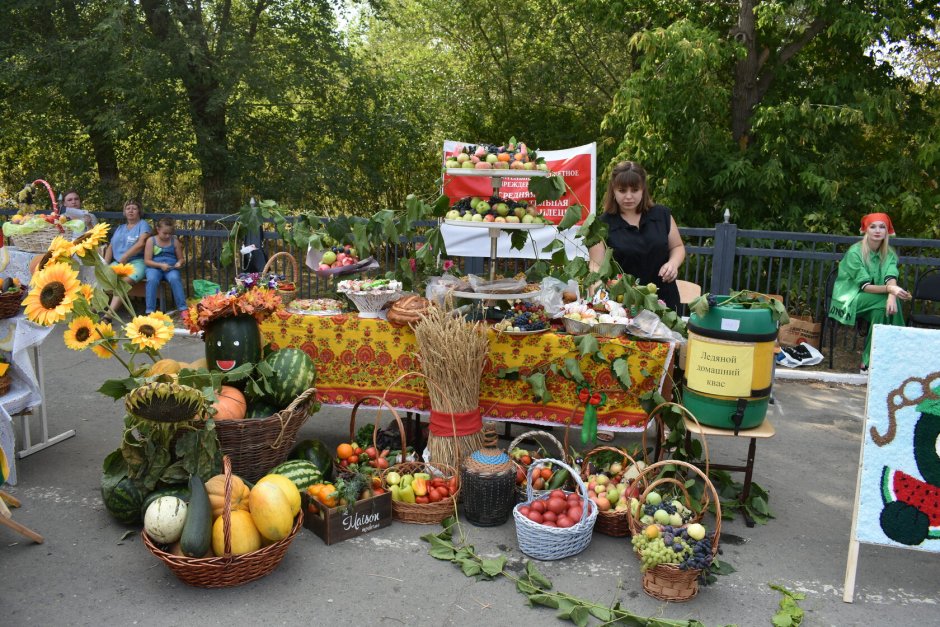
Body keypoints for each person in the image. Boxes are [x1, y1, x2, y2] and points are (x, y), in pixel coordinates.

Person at [588, 161, 686, 310]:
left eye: (634, 190)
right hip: (624, 306)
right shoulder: (601, 225)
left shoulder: (662, 215)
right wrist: (599, 300)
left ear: (643, 190)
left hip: (666, 303)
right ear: (613, 190)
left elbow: (678, 247)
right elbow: (596, 266)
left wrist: (673, 263)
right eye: (622, 190)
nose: (628, 196)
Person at [828, 212, 911, 373]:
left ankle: (868, 361)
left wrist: (893, 294)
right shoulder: (855, 252)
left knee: (881, 310)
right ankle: (902, 351)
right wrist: (890, 291)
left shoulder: (889, 253)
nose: (877, 230)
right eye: (873, 227)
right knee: (883, 303)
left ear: (887, 231)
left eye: (882, 227)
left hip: (873, 302)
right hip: (849, 300)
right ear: (866, 230)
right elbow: (865, 286)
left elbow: (890, 276)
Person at [103, 199, 152, 320]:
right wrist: (104, 264)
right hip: (118, 263)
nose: (131, 211)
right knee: (100, 279)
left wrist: (126, 256)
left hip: (137, 262)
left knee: (122, 283)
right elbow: (111, 246)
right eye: (128, 208)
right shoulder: (120, 228)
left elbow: (141, 243)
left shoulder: (143, 225)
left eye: (134, 208)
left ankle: (108, 316)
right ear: (124, 212)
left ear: (139, 212)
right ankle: (93, 309)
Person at [143, 218, 188, 316]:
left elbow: (181, 259)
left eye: (170, 233)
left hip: (171, 268)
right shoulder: (151, 240)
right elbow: (147, 261)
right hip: (154, 267)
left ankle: (183, 308)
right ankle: (150, 311)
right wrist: (160, 265)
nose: (168, 236)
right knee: (152, 280)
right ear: (158, 229)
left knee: (175, 278)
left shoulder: (174, 241)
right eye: (165, 233)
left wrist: (179, 263)